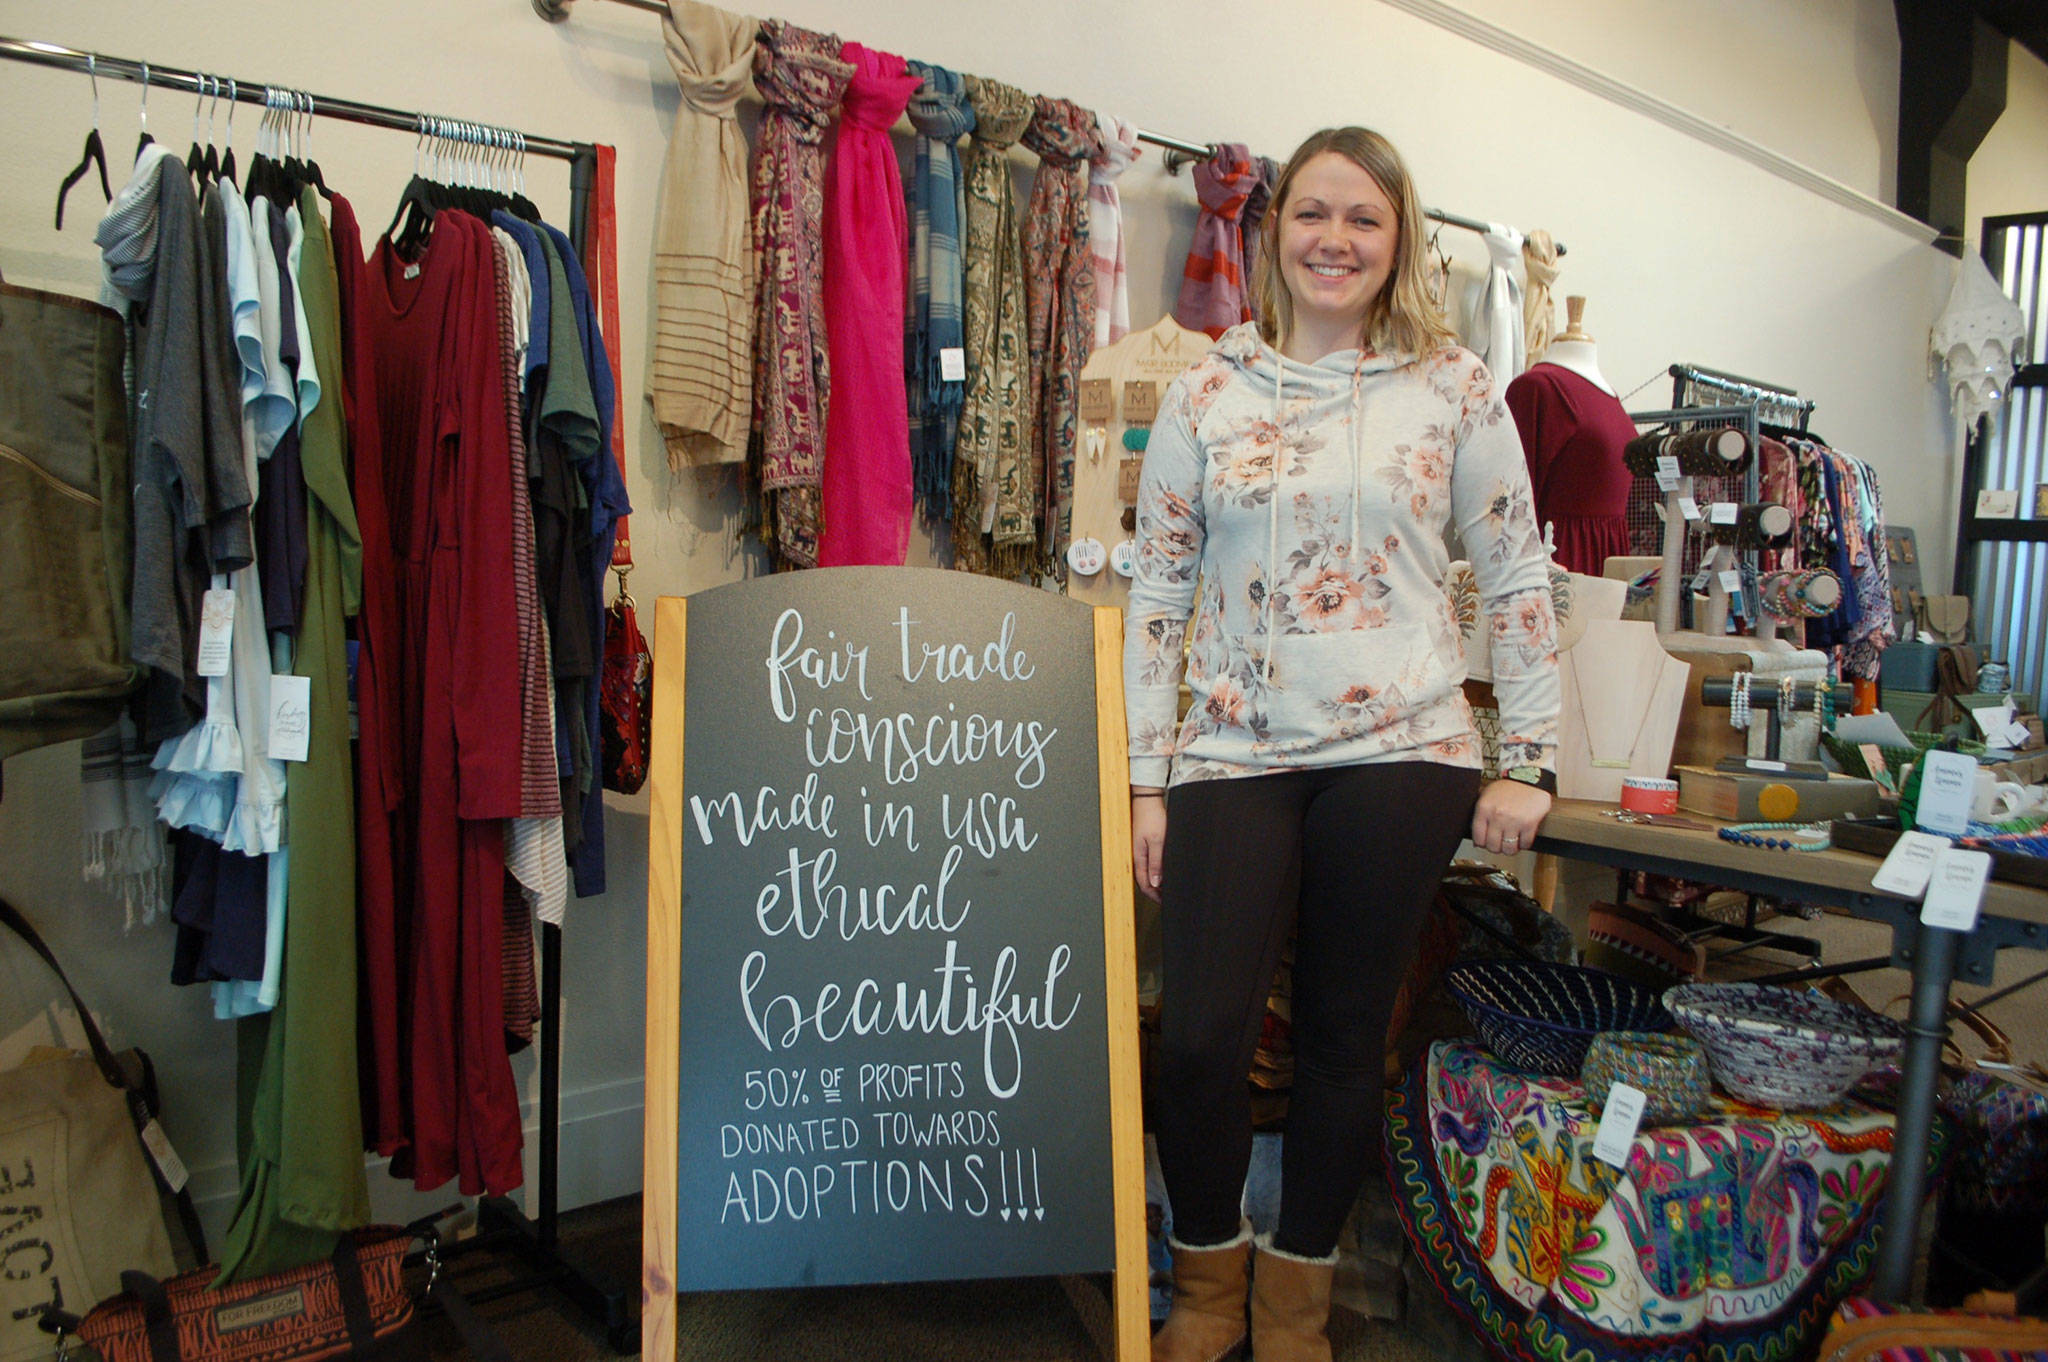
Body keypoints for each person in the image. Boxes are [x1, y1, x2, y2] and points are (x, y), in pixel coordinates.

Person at [1125, 126, 1559, 1362]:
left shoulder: (1457, 388)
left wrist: (1524, 758)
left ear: (1397, 240)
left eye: (1362, 219)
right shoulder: (1207, 390)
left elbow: (1514, 572)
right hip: (1229, 753)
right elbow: (1156, 597)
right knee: (1202, 1035)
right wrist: (1144, 778)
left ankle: (1295, 1294)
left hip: (1404, 749)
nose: (1333, 239)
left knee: (1337, 1038)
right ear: (1273, 231)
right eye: (1311, 213)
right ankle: (1205, 1286)